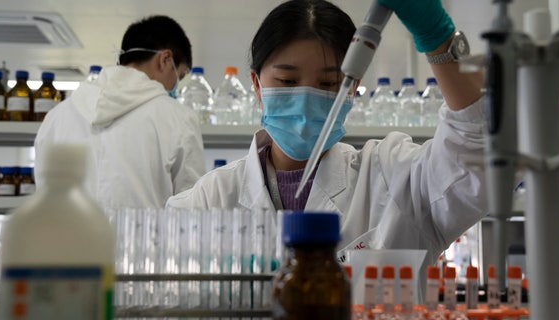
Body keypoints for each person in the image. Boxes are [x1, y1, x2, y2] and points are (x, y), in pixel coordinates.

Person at [167, 0, 485, 268]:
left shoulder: (393, 177)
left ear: (352, 89)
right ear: (257, 84)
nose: (305, 100)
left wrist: (437, 38)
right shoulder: (208, 201)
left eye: (328, 84)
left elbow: (479, 155)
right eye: (288, 82)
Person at [35, 15, 206, 209]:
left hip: (69, 239)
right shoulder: (179, 118)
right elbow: (192, 212)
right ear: (165, 59)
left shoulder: (57, 117)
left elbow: (44, 198)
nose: (174, 86)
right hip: (145, 239)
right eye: (178, 76)